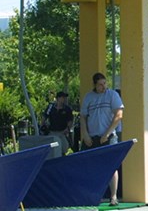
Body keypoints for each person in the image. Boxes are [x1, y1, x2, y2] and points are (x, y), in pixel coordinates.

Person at [80, 72, 123, 206]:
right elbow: (83, 117)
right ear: (94, 85)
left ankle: (113, 196)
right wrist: (85, 134)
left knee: (112, 166)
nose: (103, 86)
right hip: (92, 138)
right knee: (91, 167)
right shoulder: (89, 97)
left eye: (105, 83)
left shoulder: (112, 95)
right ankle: (94, 196)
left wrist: (107, 133)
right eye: (100, 84)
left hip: (109, 137)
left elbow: (119, 115)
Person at [42, 91, 74, 156]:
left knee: (64, 147)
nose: (64, 99)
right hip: (52, 131)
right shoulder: (51, 107)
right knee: (53, 149)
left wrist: (67, 129)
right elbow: (45, 116)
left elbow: (70, 120)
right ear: (58, 98)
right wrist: (43, 125)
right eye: (62, 97)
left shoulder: (67, 109)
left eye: (65, 98)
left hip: (62, 132)